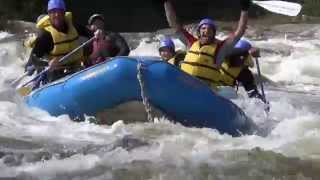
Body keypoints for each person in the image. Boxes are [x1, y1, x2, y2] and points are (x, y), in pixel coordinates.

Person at [163, 0, 251, 90]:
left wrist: (245, 9)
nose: (206, 31)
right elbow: (174, 24)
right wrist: (166, 3)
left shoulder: (220, 48)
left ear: (213, 34)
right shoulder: (191, 42)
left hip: (205, 92)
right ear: (199, 32)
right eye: (203, 28)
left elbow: (239, 32)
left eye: (210, 29)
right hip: (184, 86)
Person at [29, 0, 97, 82]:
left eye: (60, 12)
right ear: (49, 14)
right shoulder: (45, 35)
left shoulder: (73, 26)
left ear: (64, 13)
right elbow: (34, 58)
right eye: (53, 12)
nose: (57, 15)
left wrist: (96, 33)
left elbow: (89, 33)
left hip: (75, 66)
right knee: (49, 74)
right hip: (55, 71)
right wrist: (48, 63)